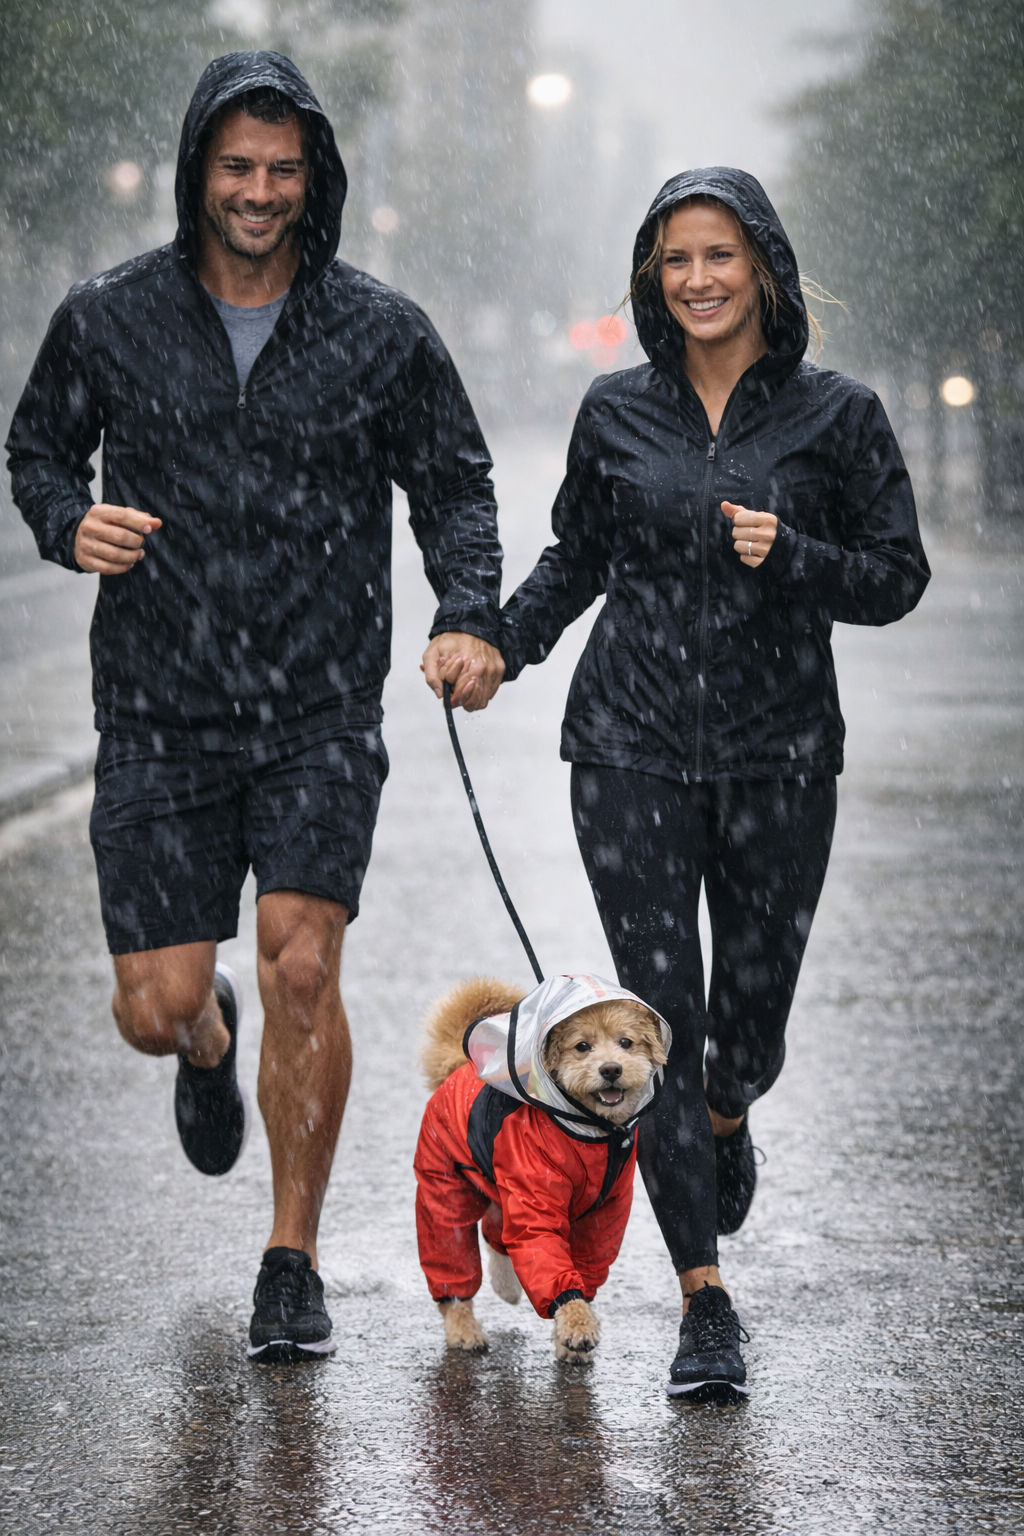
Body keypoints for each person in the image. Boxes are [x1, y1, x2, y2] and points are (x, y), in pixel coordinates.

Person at [6, 51, 504, 1360]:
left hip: (319, 698)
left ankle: (292, 1255)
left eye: (285, 169)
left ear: (314, 176)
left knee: (304, 952)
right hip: (161, 702)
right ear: (198, 173)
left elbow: (455, 485)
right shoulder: (109, 314)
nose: (262, 191)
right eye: (239, 167)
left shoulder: (380, 331)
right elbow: (37, 447)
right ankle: (203, 1036)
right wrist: (68, 522)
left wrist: (466, 614)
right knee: (153, 1006)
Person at [493, 168, 929, 1398]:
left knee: (748, 1021)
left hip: (780, 757)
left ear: (764, 270)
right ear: (653, 276)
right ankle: (703, 1301)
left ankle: (730, 1112)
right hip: (626, 748)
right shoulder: (614, 411)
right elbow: (576, 555)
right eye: (675, 259)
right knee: (661, 1021)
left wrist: (793, 553)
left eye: (719, 256)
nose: (696, 278)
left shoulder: (836, 416)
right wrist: (501, 645)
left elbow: (896, 576)